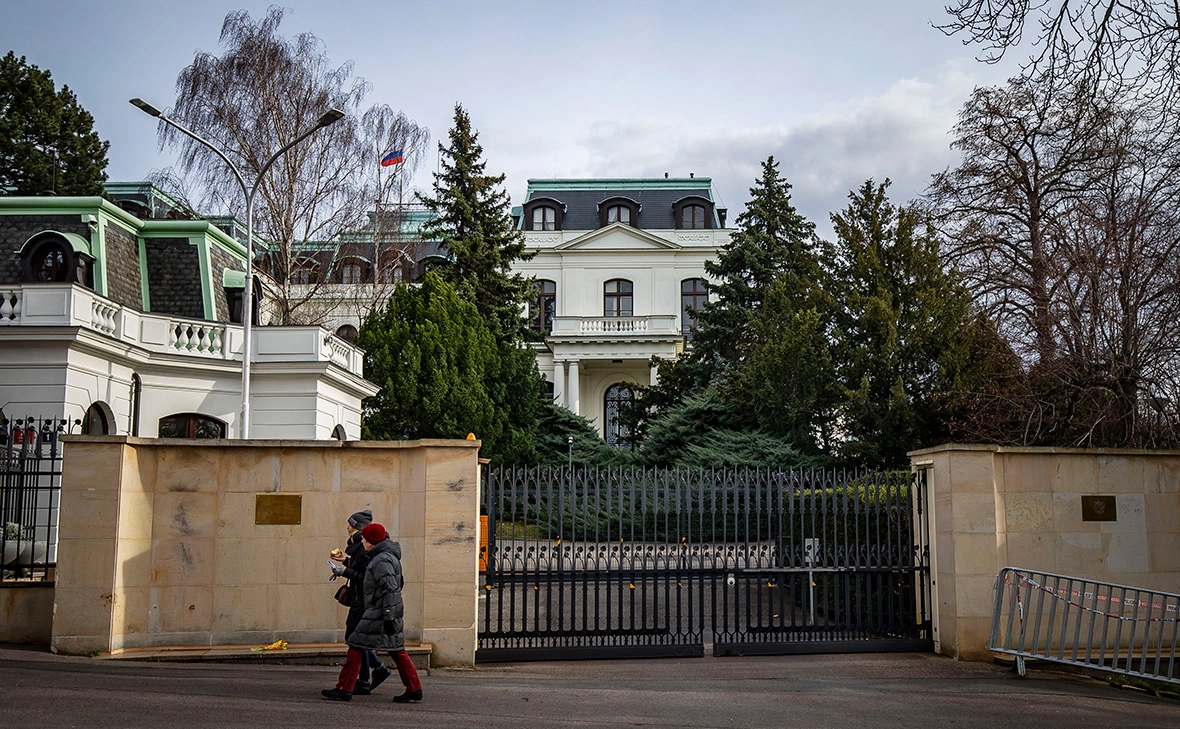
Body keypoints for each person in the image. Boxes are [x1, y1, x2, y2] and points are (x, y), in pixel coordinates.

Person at [322, 522, 423, 703]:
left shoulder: (382, 559)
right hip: (383, 610)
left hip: (379, 611)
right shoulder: (383, 556)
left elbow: (390, 589)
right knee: (395, 649)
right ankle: (414, 688)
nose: (362, 541)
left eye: (364, 539)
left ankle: (344, 688)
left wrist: (388, 616)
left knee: (356, 645)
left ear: (371, 541)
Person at [329, 510, 391, 695]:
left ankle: (372, 673)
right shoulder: (359, 546)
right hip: (361, 598)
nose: (348, 527)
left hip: (362, 600)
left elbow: (366, 577)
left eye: (351, 524)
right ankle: (366, 678)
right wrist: (346, 561)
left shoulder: (365, 547)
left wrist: (344, 572)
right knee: (358, 640)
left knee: (356, 640)